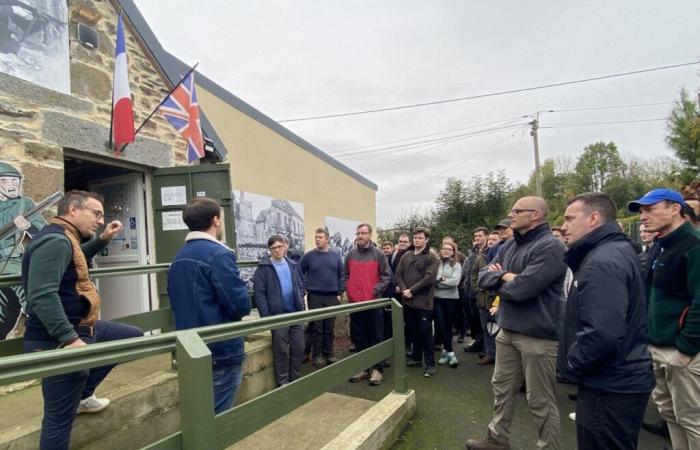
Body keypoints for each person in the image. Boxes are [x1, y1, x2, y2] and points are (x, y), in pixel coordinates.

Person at [21, 190, 143, 450]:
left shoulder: (66, 238)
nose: (100, 220)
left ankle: (84, 395)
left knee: (130, 337)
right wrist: (71, 340)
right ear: (73, 210)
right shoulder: (54, 241)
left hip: (81, 326)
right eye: (96, 213)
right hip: (57, 339)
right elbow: (42, 295)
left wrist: (103, 239)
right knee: (57, 420)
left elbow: (72, 262)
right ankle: (78, 396)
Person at [467, 196, 567, 450]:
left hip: (538, 335)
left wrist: (500, 278)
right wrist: (507, 277)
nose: (511, 215)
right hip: (508, 329)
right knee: (501, 388)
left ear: (536, 215)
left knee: (540, 399)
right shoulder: (509, 245)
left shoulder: (551, 247)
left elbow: (525, 289)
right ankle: (497, 440)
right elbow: (483, 278)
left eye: (516, 211)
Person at [558, 192, 654, 450]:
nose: (563, 227)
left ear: (593, 219)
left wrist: (571, 361)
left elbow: (602, 333)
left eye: (569, 219)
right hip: (617, 379)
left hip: (610, 384)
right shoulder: (611, 252)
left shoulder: (602, 260)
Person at [628, 188, 700, 450]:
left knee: (692, 418)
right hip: (658, 348)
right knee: (671, 414)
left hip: (682, 353)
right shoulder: (660, 244)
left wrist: (687, 347)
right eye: (641, 212)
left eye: (650, 209)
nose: (643, 217)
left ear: (675, 209)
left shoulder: (694, 245)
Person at [167, 197, 251, 413]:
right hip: (221, 351)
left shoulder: (178, 258)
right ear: (215, 220)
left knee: (199, 414)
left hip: (189, 348)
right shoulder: (219, 254)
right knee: (217, 418)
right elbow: (240, 305)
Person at [0, 161, 47, 338]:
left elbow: (44, 231)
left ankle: (43, 326)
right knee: (3, 312)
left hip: (12, 258)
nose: (12, 185)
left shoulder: (24, 204)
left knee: (26, 289)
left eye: (15, 181)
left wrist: (28, 226)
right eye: (4, 181)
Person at [254, 235, 306, 387]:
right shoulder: (263, 268)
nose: (276, 250)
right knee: (281, 350)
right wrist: (267, 317)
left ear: (285, 246)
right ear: (269, 250)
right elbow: (259, 294)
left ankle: (295, 378)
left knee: (299, 347)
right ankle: (283, 382)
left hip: (295, 313)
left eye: (279, 247)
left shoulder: (292, 264)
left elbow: (299, 286)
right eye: (273, 248)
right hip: (277, 315)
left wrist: (301, 305)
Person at [345, 223, 391, 385]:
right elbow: (346, 275)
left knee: (375, 336)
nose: (360, 236)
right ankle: (363, 368)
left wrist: (374, 290)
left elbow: (387, 276)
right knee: (358, 337)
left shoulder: (378, 254)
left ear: (370, 235)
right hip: (355, 304)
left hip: (373, 303)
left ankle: (377, 370)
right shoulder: (350, 255)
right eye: (358, 233)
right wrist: (349, 290)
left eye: (363, 233)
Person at [396, 227, 440, 378]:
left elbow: (429, 279)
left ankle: (430, 364)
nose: (417, 240)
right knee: (413, 330)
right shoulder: (406, 255)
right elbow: (398, 274)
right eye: (415, 237)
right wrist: (404, 290)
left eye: (420, 238)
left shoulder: (431, 257)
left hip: (423, 303)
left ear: (427, 240)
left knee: (425, 333)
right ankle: (415, 358)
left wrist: (411, 291)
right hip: (408, 301)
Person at [300, 228, 344, 367]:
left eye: (320, 237)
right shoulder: (309, 256)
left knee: (329, 327)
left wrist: (340, 293)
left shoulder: (336, 257)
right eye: (316, 237)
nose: (317, 239)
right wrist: (305, 286)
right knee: (317, 327)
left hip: (332, 296)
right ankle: (317, 355)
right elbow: (299, 273)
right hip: (315, 296)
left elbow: (341, 276)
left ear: (327, 239)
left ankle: (328, 352)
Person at [433, 241, 462, 368]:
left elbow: (456, 282)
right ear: (441, 250)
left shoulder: (456, 264)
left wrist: (441, 281)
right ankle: (451, 353)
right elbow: (434, 279)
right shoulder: (436, 263)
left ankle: (445, 352)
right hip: (437, 298)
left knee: (448, 326)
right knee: (441, 324)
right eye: (444, 248)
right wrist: (443, 280)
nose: (446, 251)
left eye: (449, 249)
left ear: (453, 252)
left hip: (452, 299)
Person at [463, 228, 489, 354]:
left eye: (479, 236)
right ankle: (478, 342)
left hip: (481, 292)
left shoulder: (489, 252)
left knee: (483, 321)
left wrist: (478, 289)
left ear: (486, 236)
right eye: (475, 236)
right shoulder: (473, 253)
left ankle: (485, 346)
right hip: (470, 291)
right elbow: (467, 270)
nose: (477, 238)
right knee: (474, 320)